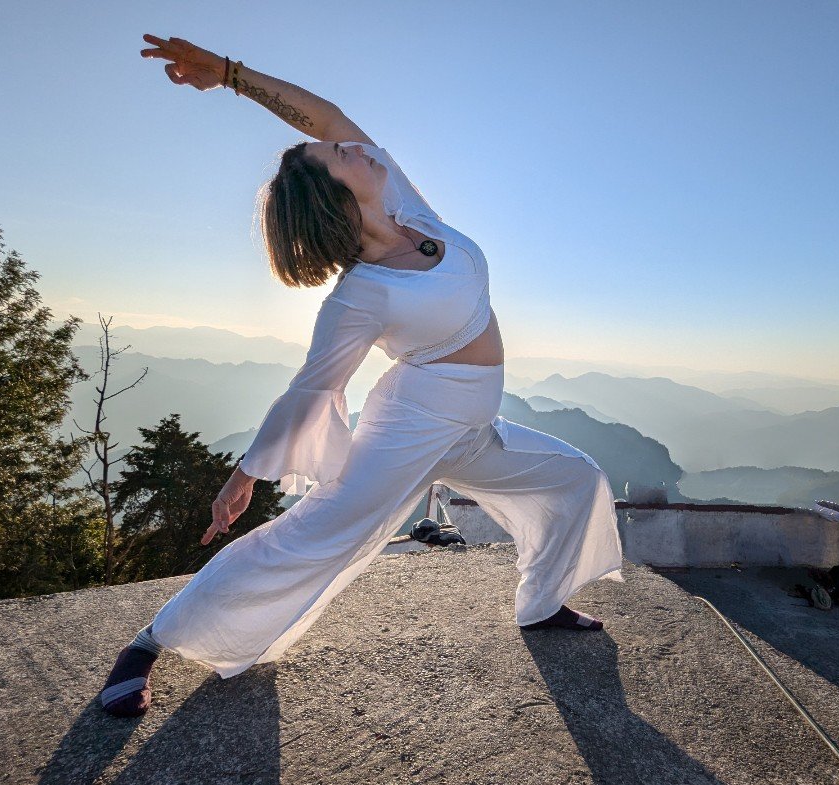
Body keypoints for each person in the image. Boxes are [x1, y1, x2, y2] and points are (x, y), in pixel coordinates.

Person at [100, 34, 626, 718]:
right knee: (313, 535)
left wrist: (230, 74)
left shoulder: (410, 213)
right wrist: (246, 473)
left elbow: (324, 116)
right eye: (341, 156)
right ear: (338, 204)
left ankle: (542, 602)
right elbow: (313, 386)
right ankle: (148, 641)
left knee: (576, 477)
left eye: (346, 145)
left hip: (473, 428)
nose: (357, 147)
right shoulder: (360, 295)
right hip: (410, 428)